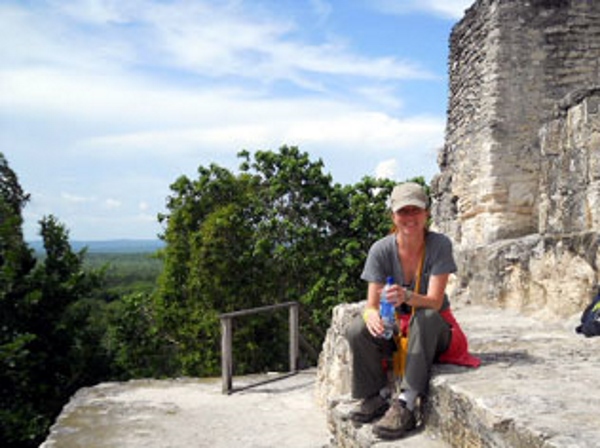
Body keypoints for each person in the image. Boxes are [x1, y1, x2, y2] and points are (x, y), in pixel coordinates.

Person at [346, 182, 480, 440]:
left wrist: (407, 296)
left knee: (425, 317)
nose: (409, 218)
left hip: (434, 329)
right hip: (398, 327)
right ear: (393, 216)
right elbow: (371, 305)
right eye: (403, 212)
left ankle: (406, 403)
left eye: (415, 211)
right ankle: (376, 396)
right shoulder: (381, 250)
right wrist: (371, 316)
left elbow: (435, 301)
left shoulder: (438, 245)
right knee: (357, 330)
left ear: (426, 213)